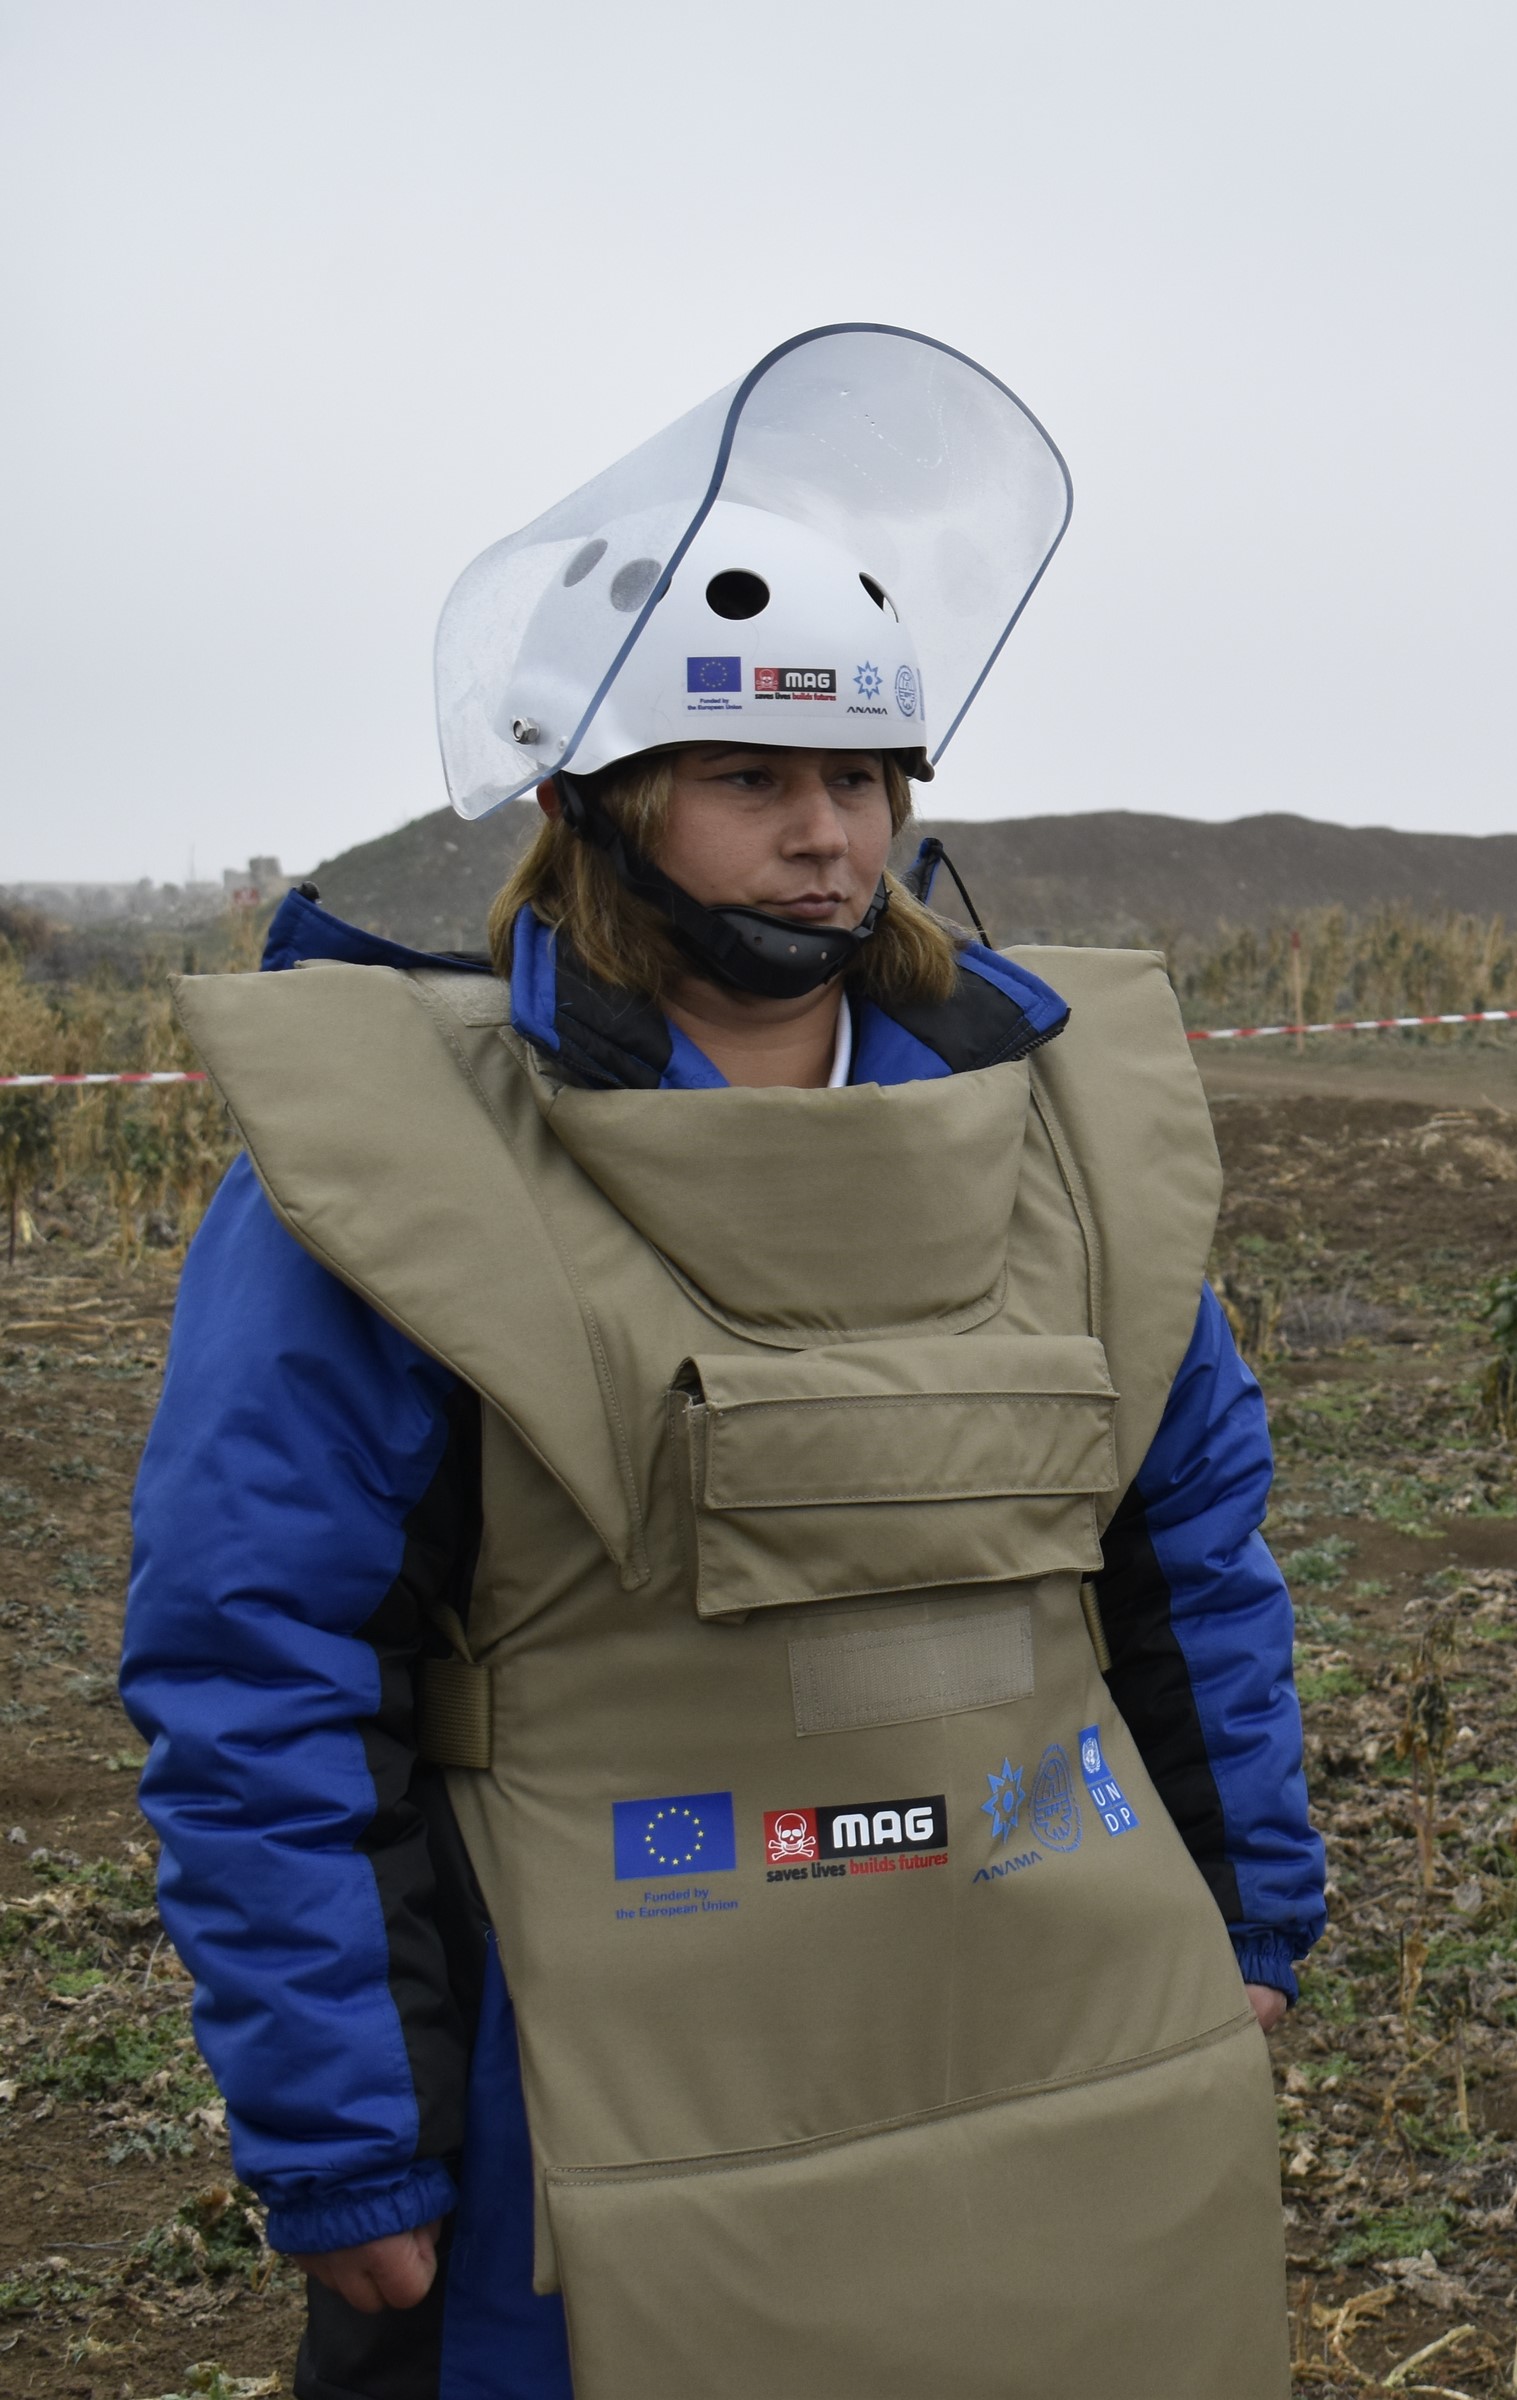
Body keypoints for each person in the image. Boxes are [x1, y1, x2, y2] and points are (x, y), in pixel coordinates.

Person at [122, 326, 1317, 2400]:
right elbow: (261, 1658)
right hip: (584, 2076)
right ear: (600, 807)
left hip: (1032, 2022)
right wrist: (346, 2134)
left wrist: (1247, 1915)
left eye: (859, 780)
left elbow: (1186, 1551)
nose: (824, 836)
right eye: (753, 778)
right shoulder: (415, 1173)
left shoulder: (1061, 1147)